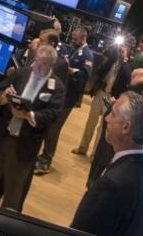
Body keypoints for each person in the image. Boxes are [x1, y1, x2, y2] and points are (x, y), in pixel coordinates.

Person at [0, 44, 65, 211]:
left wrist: (28, 116)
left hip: (24, 146)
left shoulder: (57, 87)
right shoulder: (23, 73)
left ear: (51, 65)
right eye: (36, 61)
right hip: (0, 138)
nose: (36, 67)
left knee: (13, 195)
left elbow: (53, 115)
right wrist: (3, 98)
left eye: (42, 64)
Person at [70, 92, 143, 236]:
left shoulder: (110, 185)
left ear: (126, 127)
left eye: (112, 114)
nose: (106, 118)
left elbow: (79, 231)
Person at [36, 27, 92, 174]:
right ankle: (43, 157)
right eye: (72, 38)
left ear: (83, 38)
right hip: (61, 94)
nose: (73, 41)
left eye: (76, 39)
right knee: (50, 127)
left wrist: (72, 71)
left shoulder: (87, 55)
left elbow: (85, 76)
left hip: (69, 97)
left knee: (54, 129)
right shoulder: (74, 50)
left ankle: (45, 161)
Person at [74, 41, 124, 156]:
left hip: (111, 97)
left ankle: (94, 155)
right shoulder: (110, 60)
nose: (121, 50)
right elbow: (101, 69)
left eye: (123, 49)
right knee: (90, 122)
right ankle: (82, 148)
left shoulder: (125, 67)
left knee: (102, 128)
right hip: (101, 93)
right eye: (119, 48)